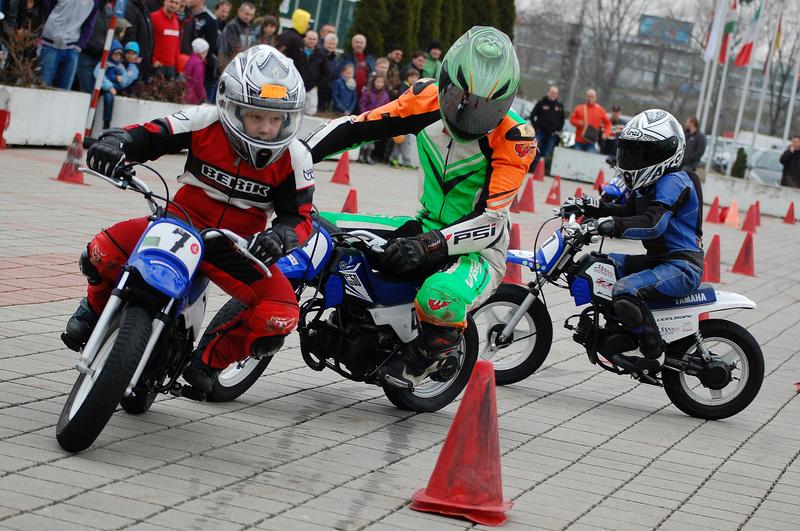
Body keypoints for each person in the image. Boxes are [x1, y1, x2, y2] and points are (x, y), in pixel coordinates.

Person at [65, 45, 314, 394]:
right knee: (100, 252)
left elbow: (299, 217)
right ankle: (93, 310)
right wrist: (117, 143)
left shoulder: (295, 157)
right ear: (231, 106)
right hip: (177, 224)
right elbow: (148, 135)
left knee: (282, 312)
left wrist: (282, 237)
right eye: (255, 116)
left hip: (234, 247)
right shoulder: (203, 120)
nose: (265, 128)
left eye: (275, 119)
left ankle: (208, 362)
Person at [305, 26, 534, 389]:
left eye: (486, 108)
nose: (470, 115)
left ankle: (429, 356)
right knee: (320, 228)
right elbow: (355, 129)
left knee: (439, 297)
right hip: (424, 224)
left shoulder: (514, 138)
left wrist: (428, 246)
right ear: (444, 81)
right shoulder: (424, 99)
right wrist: (295, 156)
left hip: (478, 250)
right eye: (461, 98)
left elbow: (492, 220)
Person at [567, 109, 703, 374]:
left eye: (643, 153)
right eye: (631, 151)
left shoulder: (674, 181)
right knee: (598, 264)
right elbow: (627, 212)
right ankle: (621, 330)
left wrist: (609, 226)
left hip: (681, 267)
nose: (634, 159)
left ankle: (652, 352)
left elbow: (653, 223)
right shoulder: (649, 185)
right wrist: (593, 207)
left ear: (666, 153)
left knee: (625, 289)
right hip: (658, 261)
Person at [38, 0, 102, 89]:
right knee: (43, 85)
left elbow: (89, 23)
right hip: (50, 44)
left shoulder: (94, 2)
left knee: (65, 90)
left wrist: (80, 45)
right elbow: (46, 9)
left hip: (71, 47)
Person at [93, 39, 137, 129]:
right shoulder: (104, 63)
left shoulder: (120, 67)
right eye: (115, 54)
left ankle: (106, 123)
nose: (117, 57)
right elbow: (98, 74)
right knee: (93, 101)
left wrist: (121, 80)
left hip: (111, 90)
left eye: (119, 55)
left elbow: (124, 82)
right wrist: (109, 86)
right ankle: (90, 121)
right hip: (101, 87)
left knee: (109, 99)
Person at [356, 73, 390, 164]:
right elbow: (362, 104)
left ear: (384, 83)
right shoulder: (368, 92)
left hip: (377, 121)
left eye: (381, 82)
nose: (379, 83)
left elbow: (387, 108)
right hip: (366, 119)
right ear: (374, 82)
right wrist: (364, 114)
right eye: (377, 81)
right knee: (364, 138)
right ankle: (361, 155)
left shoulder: (385, 95)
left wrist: (383, 118)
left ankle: (368, 156)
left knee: (372, 140)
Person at [188, 0, 218, 101]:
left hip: (201, 66)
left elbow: (211, 46)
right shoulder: (184, 12)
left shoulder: (210, 19)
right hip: (184, 62)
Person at [338, 33, 374, 111]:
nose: (359, 44)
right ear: (352, 44)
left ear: (365, 44)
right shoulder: (345, 58)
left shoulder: (370, 59)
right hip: (348, 95)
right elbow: (339, 74)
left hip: (364, 95)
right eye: (357, 42)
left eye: (361, 43)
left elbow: (373, 75)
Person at [529, 85, 564, 160]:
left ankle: (540, 168)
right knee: (535, 150)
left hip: (552, 134)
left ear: (557, 95)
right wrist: (536, 127)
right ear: (548, 92)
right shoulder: (541, 103)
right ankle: (532, 168)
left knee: (546, 152)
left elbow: (562, 120)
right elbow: (532, 116)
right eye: (552, 92)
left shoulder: (560, 106)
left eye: (555, 93)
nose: (553, 94)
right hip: (540, 132)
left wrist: (558, 129)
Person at [123, 0, 154, 80]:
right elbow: (129, 35)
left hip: (143, 62)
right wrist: (133, 56)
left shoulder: (145, 8)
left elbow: (149, 38)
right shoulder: (129, 7)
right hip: (133, 62)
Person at [299, 30, 329, 116]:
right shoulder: (298, 51)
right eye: (309, 38)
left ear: (317, 40)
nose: (311, 41)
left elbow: (326, 73)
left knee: (310, 111)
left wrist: (317, 84)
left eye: (314, 39)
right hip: (297, 86)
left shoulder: (321, 55)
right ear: (305, 39)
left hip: (312, 88)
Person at [150, 0, 181, 79]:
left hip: (171, 67)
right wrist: (152, 60)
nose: (173, 5)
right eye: (171, 1)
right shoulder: (153, 17)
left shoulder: (176, 22)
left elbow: (176, 46)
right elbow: (148, 41)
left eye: (176, 3)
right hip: (157, 66)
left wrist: (177, 66)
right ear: (165, 1)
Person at [218, 1, 254, 71]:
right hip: (228, 65)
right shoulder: (232, 26)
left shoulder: (248, 27)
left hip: (239, 65)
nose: (248, 17)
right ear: (239, 11)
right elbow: (234, 48)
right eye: (246, 14)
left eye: (251, 15)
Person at [317, 32, 338, 113]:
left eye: (333, 44)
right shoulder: (319, 54)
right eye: (329, 43)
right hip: (318, 88)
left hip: (328, 90)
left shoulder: (334, 59)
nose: (331, 46)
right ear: (325, 43)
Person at [183, 37, 207, 104]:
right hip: (193, 97)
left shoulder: (191, 59)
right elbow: (198, 82)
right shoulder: (198, 63)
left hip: (186, 93)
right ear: (203, 52)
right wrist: (203, 96)